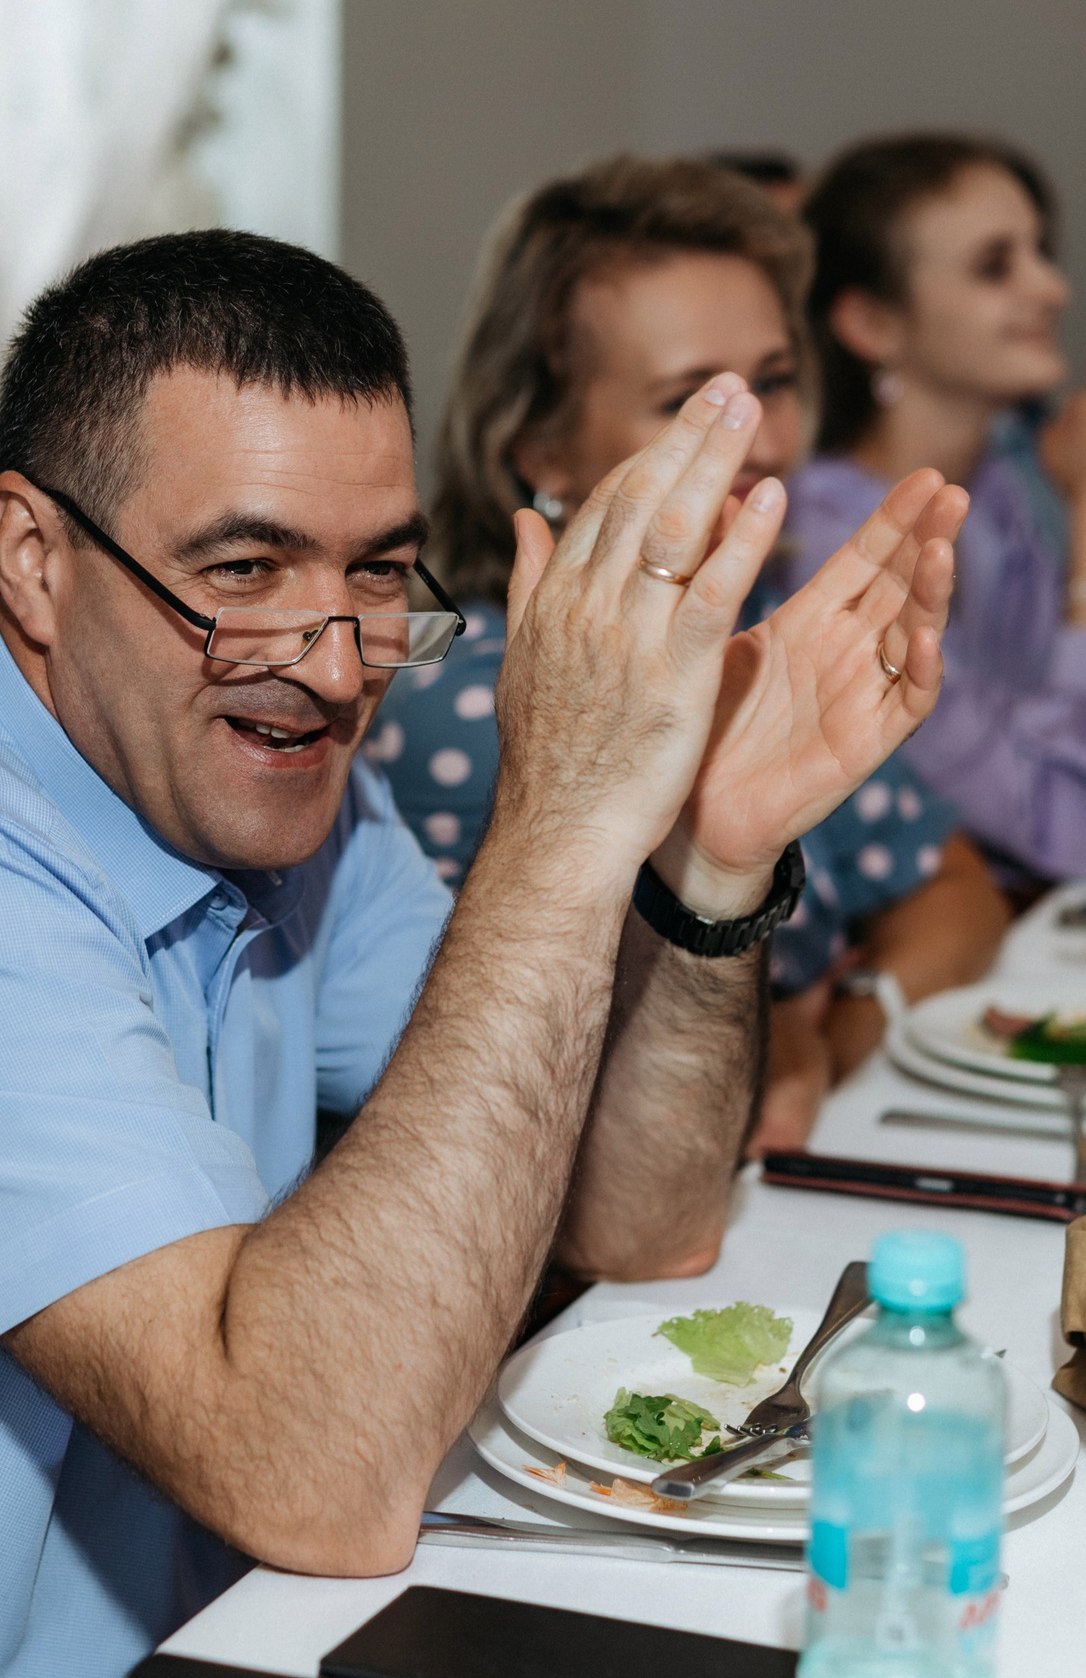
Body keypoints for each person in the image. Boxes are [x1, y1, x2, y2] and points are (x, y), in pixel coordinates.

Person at [0, 230, 965, 1678]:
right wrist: (561, 827)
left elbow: (638, 1219)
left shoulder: (282, 796)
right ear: (32, 556)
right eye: (242, 572)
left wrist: (709, 866)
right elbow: (319, 1470)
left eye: (377, 574)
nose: (327, 662)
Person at [392, 156, 1007, 1156]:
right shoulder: (471, 705)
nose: (758, 439)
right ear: (540, 446)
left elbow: (954, 885)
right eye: (696, 403)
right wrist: (780, 1044)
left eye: (772, 381)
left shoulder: (762, 629)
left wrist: (837, 1027)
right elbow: (567, 1119)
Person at [784, 133, 1086, 887]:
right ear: (872, 324)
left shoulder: (995, 485)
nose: (1053, 288)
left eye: (1040, 252)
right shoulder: (837, 544)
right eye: (997, 266)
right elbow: (1074, 831)